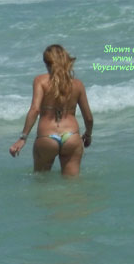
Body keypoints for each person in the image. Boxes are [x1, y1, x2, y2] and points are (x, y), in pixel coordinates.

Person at [9, 44, 93, 176]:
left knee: (41, 183)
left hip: (46, 137)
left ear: (47, 63)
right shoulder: (78, 84)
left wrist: (23, 138)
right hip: (72, 136)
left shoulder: (40, 81)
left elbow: (35, 110)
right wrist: (88, 135)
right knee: (73, 186)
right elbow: (88, 117)